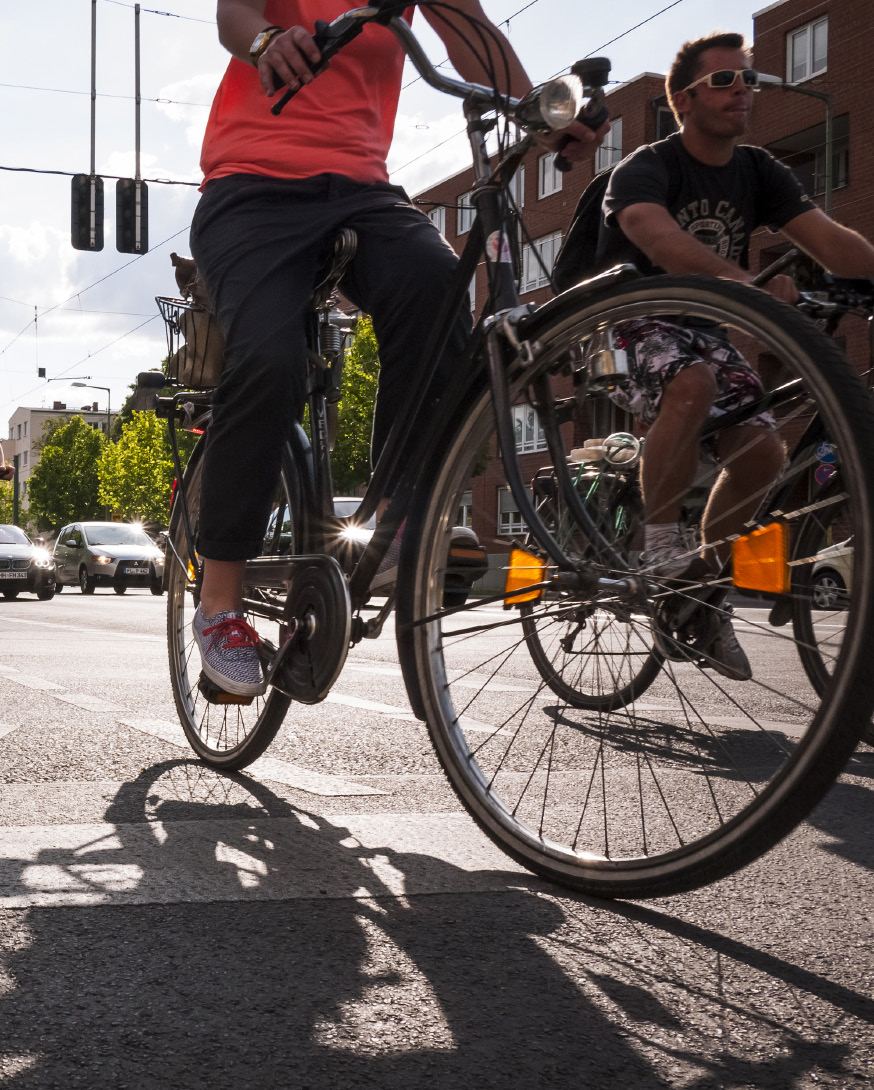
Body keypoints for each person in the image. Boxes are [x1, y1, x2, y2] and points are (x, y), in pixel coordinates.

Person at [190, 0, 605, 696]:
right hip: (250, 186)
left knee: (443, 297)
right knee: (269, 361)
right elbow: (235, 15)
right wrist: (265, 43)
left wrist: (536, 111)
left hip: (362, 189)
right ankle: (219, 601)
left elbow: (471, 33)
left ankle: (396, 528)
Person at [590, 31, 874, 680]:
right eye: (725, 81)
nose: (743, 90)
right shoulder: (648, 166)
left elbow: (832, 240)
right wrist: (744, 285)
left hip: (707, 331)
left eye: (749, 80)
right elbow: (652, 234)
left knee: (764, 455)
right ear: (685, 99)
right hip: (625, 324)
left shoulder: (759, 170)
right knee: (689, 384)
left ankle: (699, 592)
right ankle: (661, 552)